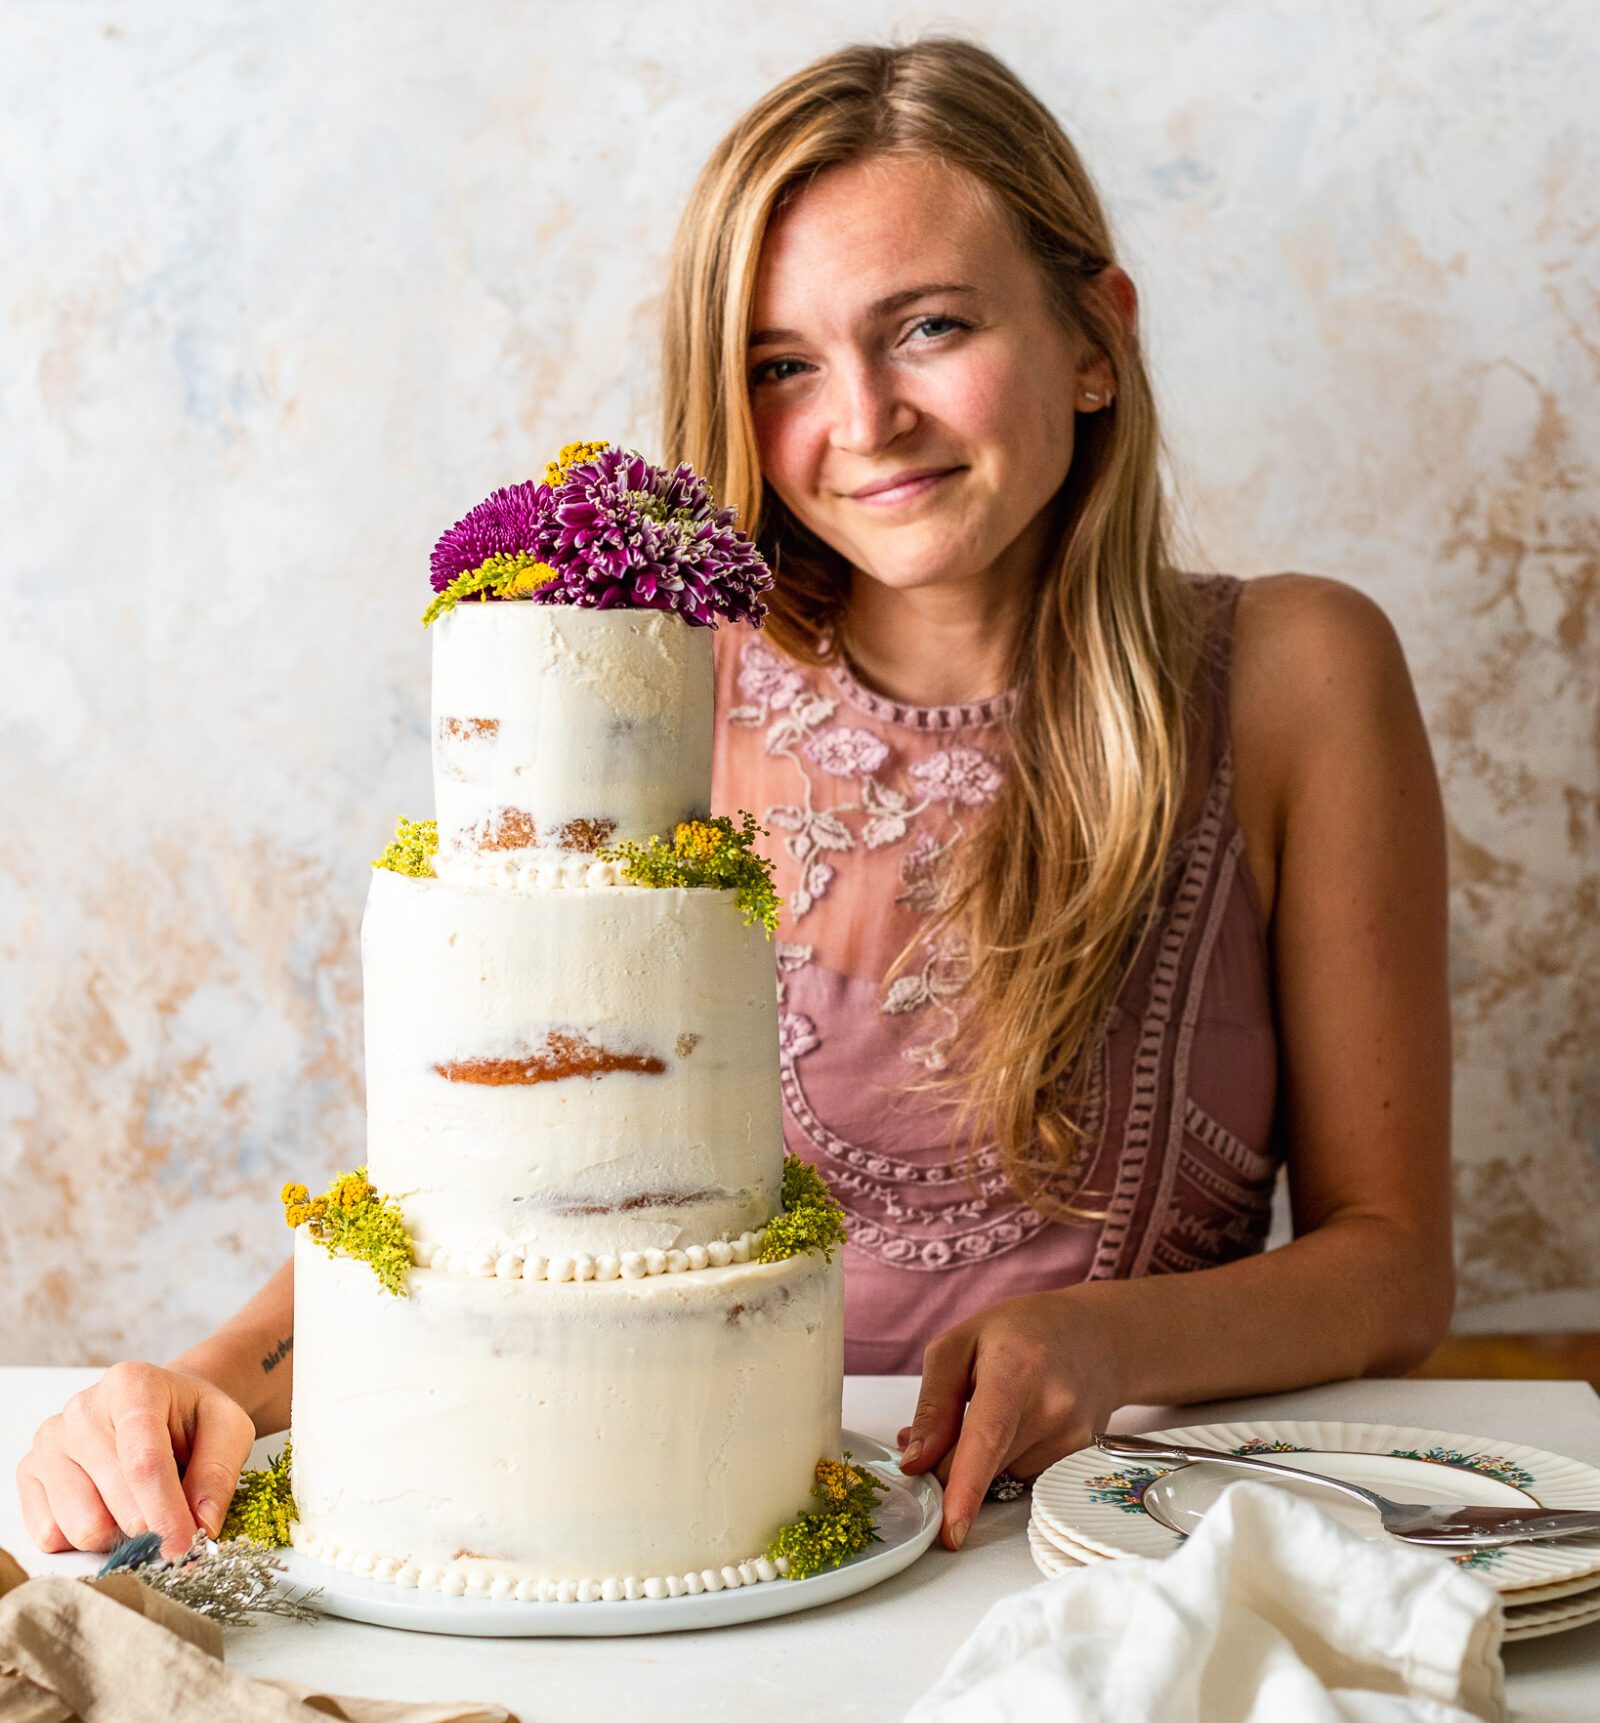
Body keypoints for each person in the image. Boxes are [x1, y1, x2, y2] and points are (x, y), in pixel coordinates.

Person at [16, 37, 1452, 1563]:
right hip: (690, 1544)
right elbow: (492, 1184)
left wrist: (1110, 1344)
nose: (865, 418)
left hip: (1123, 1542)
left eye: (930, 327)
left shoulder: (1296, 673)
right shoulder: (650, 687)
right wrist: (200, 1384)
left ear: (1097, 338)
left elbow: (1396, 1269)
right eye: (783, 366)